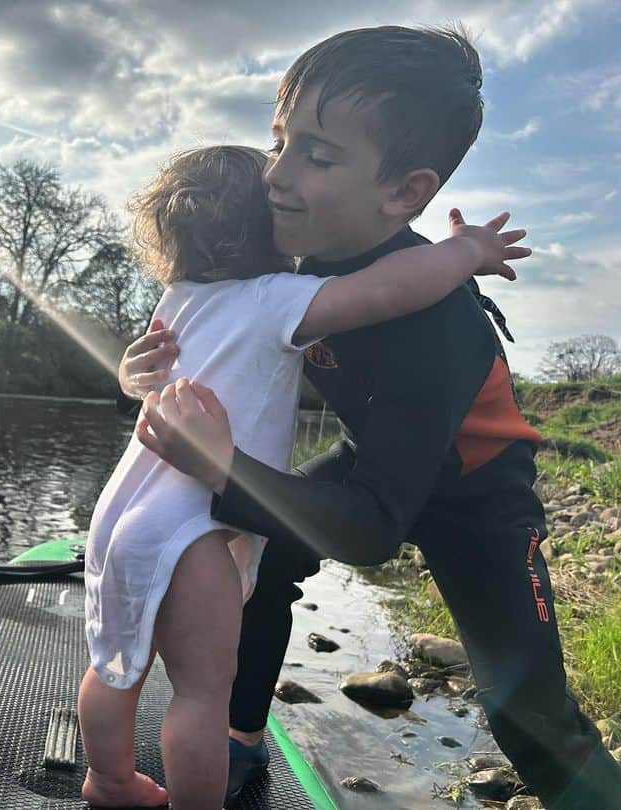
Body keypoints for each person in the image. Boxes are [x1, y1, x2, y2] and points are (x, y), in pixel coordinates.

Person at [121, 26, 621, 809]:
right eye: (278, 140)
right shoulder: (291, 255)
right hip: (374, 452)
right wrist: (144, 368)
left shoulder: (437, 323)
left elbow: (371, 529)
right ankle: (240, 741)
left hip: (478, 499)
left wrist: (222, 468)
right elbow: (208, 333)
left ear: (404, 194)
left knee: (525, 710)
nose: (274, 176)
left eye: (316, 156)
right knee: (265, 564)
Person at [80, 144, 527, 810]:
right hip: (193, 530)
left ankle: (109, 780)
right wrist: (465, 253)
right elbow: (388, 287)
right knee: (201, 695)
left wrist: (124, 375)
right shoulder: (279, 298)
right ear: (267, 226)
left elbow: (147, 375)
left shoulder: (177, 299)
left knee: (114, 665)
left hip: (121, 513)